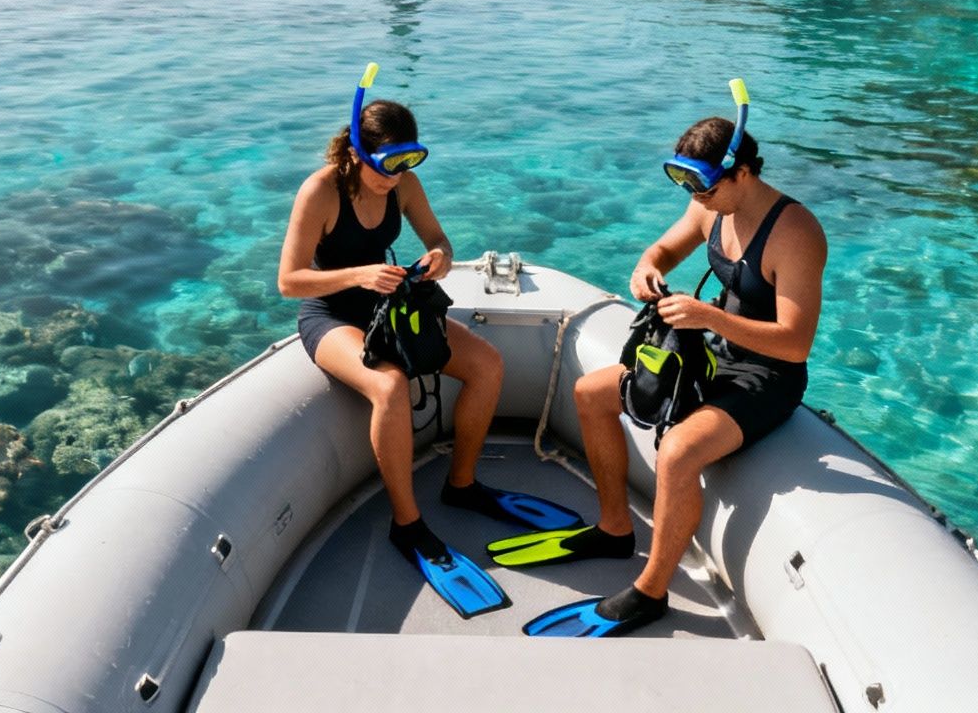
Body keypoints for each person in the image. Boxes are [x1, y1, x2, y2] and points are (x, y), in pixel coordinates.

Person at [503, 80, 826, 637]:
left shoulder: (795, 232)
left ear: (742, 174)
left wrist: (711, 318)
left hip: (767, 375)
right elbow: (660, 249)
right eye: (682, 180)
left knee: (677, 453)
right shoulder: (712, 210)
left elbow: (796, 342)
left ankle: (651, 592)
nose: (693, 194)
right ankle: (613, 528)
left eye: (701, 184)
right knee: (589, 394)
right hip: (712, 353)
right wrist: (645, 270)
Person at [277, 63, 575, 616]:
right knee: (388, 388)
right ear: (358, 154)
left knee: (485, 362)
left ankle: (461, 485)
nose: (398, 174)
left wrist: (439, 257)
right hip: (331, 314)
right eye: (389, 163)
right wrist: (359, 274)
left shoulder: (403, 185)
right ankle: (408, 524)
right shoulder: (320, 190)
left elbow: (438, 237)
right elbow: (289, 281)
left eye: (409, 160)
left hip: (390, 306)